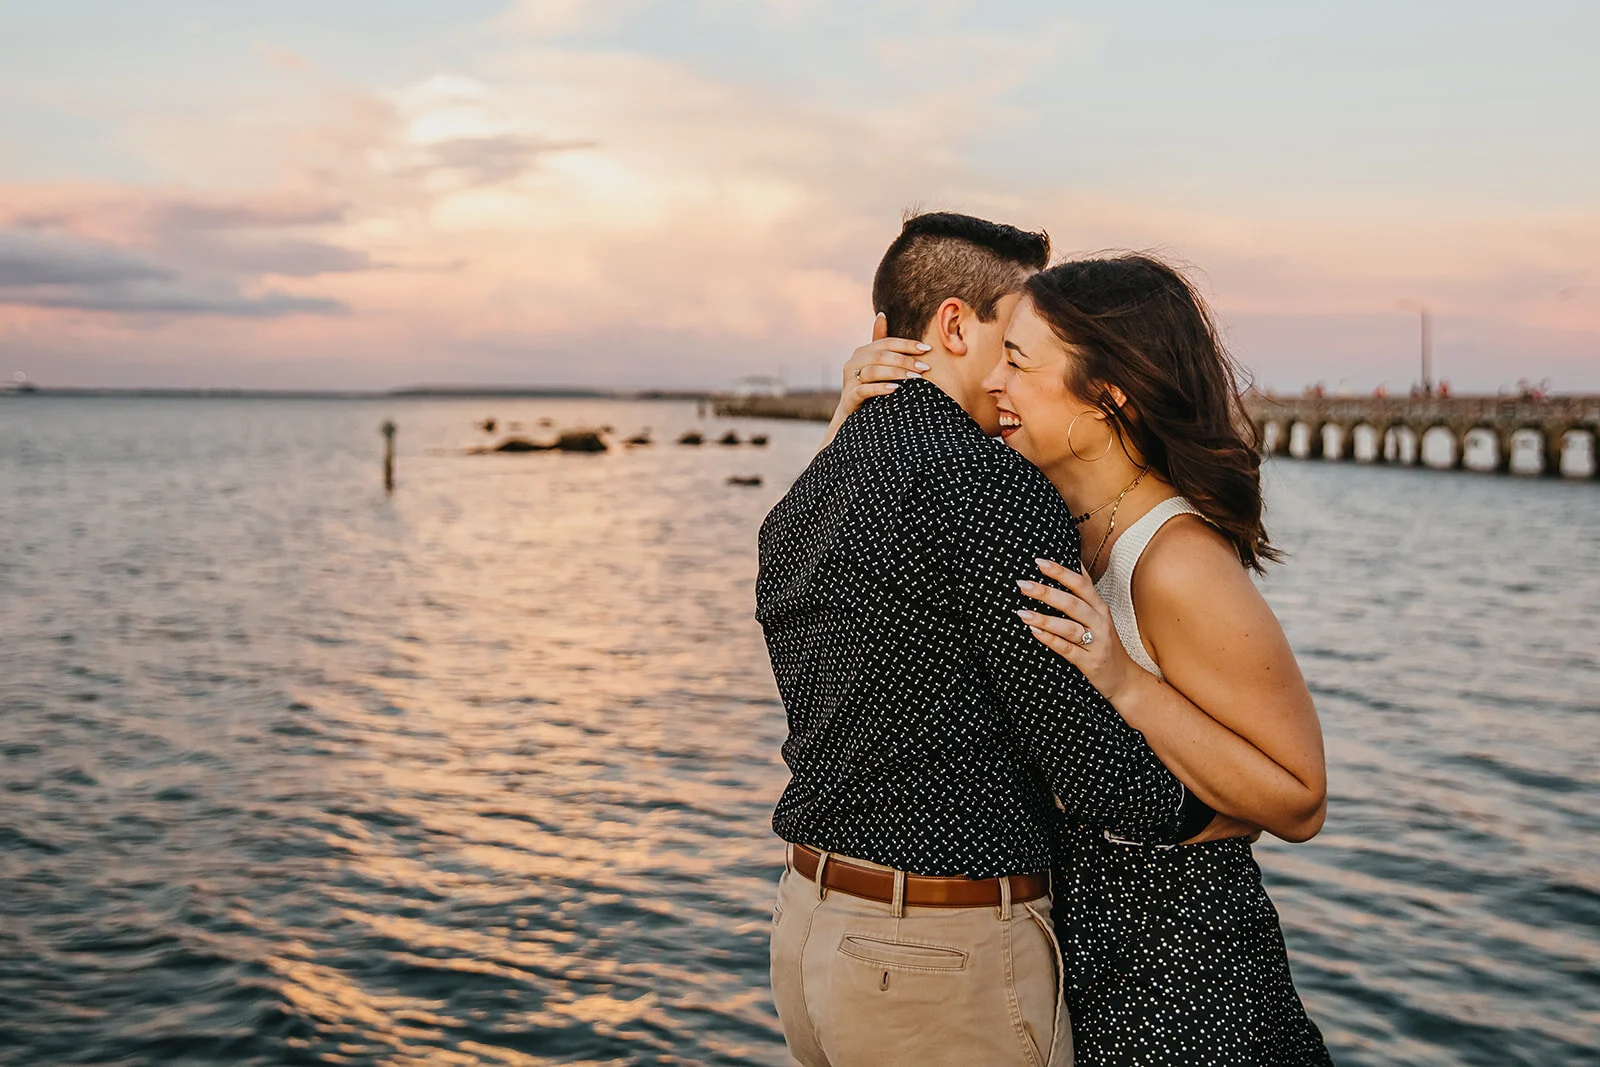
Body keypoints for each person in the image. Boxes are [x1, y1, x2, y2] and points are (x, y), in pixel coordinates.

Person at [841, 252, 1332, 1065]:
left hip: (1184, 978)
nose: (993, 380)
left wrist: (1125, 683)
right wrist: (855, 420)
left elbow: (1301, 799)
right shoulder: (1049, 522)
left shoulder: (1175, 560)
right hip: (1080, 952)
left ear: (1107, 395)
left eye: (1019, 361)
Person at [756, 213, 1217, 1067]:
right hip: (936, 955)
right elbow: (1078, 753)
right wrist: (1212, 808)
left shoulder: (809, 492)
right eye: (1014, 340)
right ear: (955, 325)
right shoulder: (987, 485)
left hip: (808, 932)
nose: (1016, 371)